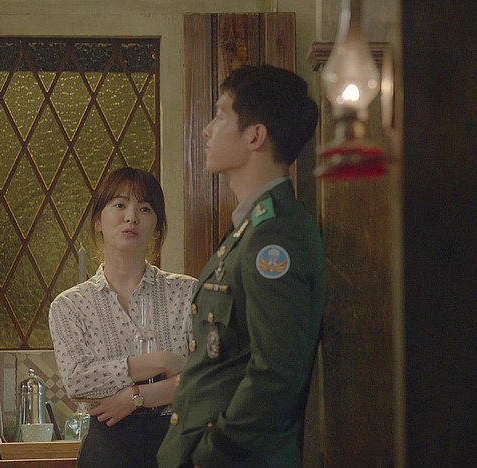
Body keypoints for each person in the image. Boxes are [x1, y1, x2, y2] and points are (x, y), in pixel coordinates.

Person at [156, 64, 325, 467]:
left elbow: (276, 371)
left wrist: (215, 451)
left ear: (255, 135)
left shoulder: (274, 236)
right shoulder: (251, 227)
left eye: (220, 115)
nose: (207, 130)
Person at [49, 167, 197, 468]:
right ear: (97, 222)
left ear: (157, 228)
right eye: (119, 205)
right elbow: (78, 381)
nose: (131, 217)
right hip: (108, 449)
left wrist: (135, 397)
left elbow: (209, 378)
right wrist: (163, 361)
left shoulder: (187, 292)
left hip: (180, 443)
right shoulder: (69, 305)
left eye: (144, 208)